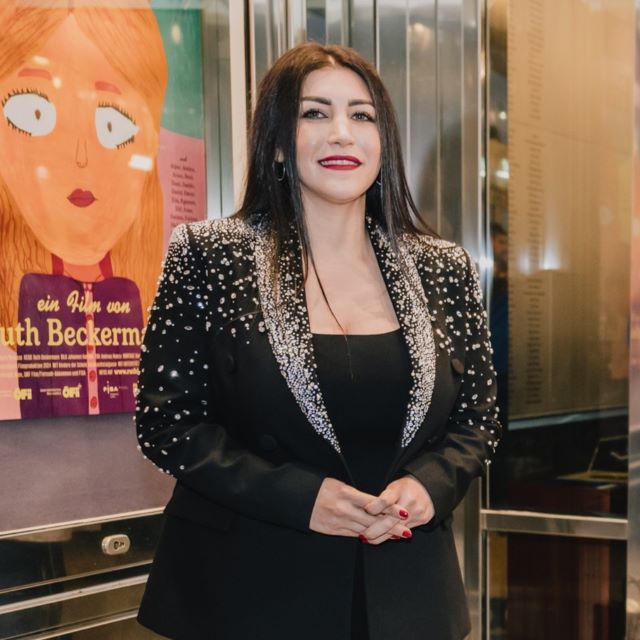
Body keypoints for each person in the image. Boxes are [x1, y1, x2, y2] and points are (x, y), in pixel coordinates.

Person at [135, 42, 501, 640]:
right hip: (247, 590)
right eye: (314, 113)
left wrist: (430, 487)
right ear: (278, 142)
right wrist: (301, 498)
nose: (342, 133)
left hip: (408, 592)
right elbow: (167, 424)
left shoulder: (443, 267)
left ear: (383, 140)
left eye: (362, 115)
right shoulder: (208, 255)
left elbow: (477, 420)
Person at [0, 0, 166, 418]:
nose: (79, 156)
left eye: (113, 124)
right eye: (33, 113)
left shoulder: (155, 307)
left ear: (152, 141)